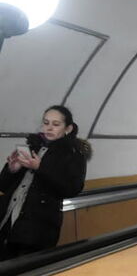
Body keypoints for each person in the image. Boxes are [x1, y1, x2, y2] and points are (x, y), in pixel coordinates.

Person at [0, 105, 92, 259]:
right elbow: (3, 185)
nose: (49, 128)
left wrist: (40, 168)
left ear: (67, 129)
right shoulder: (31, 147)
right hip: (7, 221)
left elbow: (72, 188)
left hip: (37, 228)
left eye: (56, 124)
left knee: (26, 274)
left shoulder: (73, 154)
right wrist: (11, 170)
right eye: (46, 123)